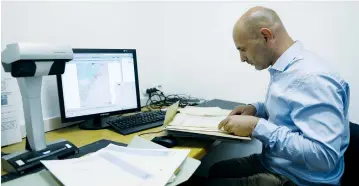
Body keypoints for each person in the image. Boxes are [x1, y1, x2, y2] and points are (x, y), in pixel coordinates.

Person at [182, 6, 350, 186]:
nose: (242, 58)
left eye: (243, 49)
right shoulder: (288, 68)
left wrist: (257, 126)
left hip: (299, 179)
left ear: (266, 36)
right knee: (216, 170)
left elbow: (324, 156)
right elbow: (290, 109)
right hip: (277, 164)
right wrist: (257, 109)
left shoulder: (312, 78)